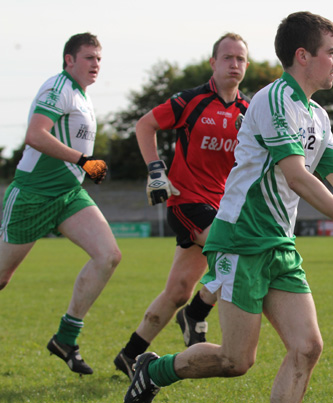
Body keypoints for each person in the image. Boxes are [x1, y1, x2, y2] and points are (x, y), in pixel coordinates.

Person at [123, 12, 333, 403]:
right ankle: (152, 370)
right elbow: (297, 176)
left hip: (279, 245)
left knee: (307, 347)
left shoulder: (317, 116)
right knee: (236, 361)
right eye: (332, 52)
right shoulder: (273, 101)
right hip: (241, 239)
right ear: (303, 56)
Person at [114, 33, 250, 380]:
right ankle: (196, 313)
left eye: (241, 59)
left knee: (176, 292)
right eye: (228, 58)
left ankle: (130, 355)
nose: (234, 64)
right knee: (236, 249)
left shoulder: (248, 112)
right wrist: (155, 170)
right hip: (186, 202)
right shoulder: (190, 101)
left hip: (219, 207)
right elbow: (145, 125)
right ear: (213, 63)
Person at [0, 33, 121, 376]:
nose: (96, 64)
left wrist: (81, 166)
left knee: (108, 255)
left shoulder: (82, 96)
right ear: (69, 60)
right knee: (2, 277)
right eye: (89, 58)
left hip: (68, 196)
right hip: (34, 195)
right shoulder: (59, 87)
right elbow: (35, 135)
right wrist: (84, 160)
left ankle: (66, 339)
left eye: (99, 58)